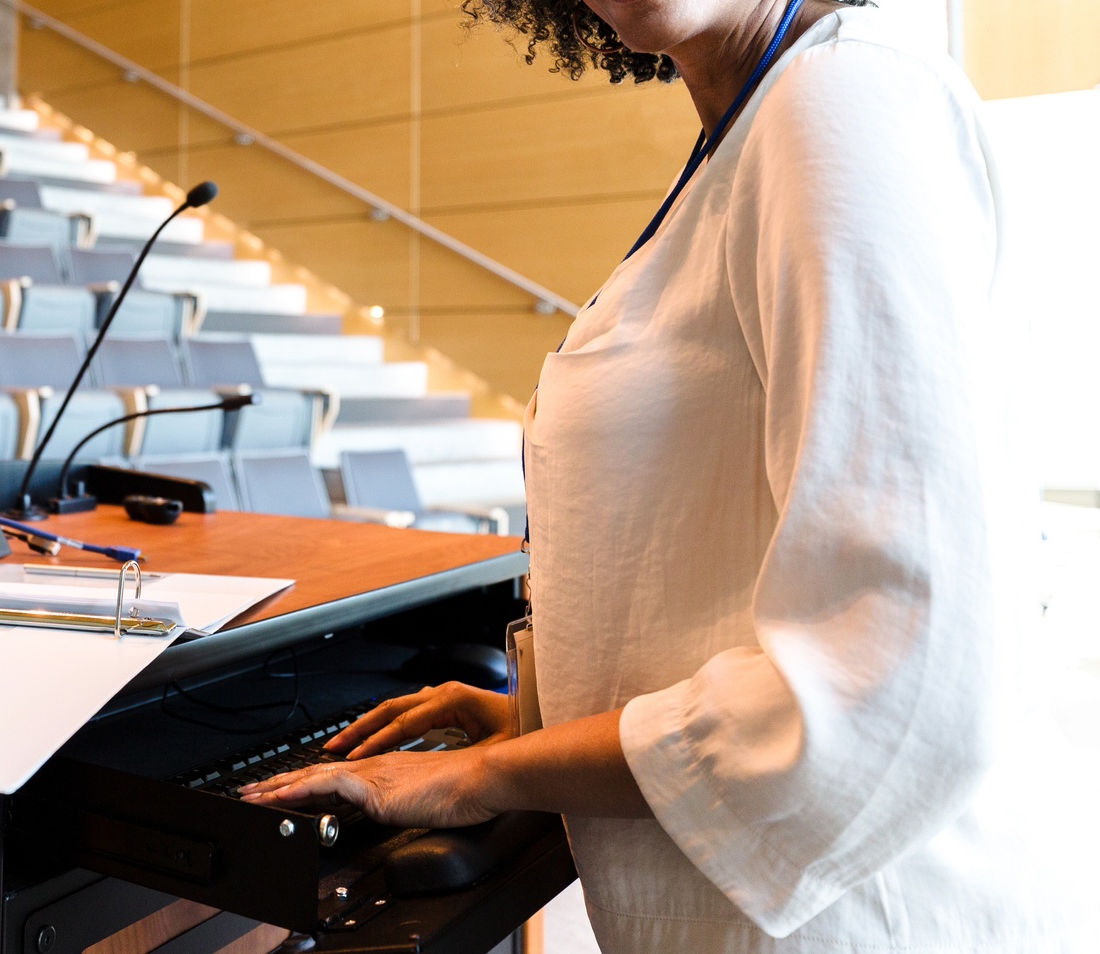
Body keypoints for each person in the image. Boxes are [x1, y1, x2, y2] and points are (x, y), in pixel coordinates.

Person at [240, 0, 1088, 950]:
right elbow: (719, 558)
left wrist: (495, 774)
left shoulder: (839, 98)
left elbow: (890, 673)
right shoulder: (762, 122)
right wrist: (533, 718)